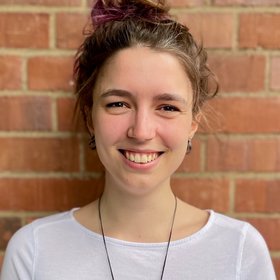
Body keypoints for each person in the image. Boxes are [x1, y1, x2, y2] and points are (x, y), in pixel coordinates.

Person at [0, 0, 276, 279]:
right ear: (89, 116)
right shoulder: (35, 251)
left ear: (193, 122)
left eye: (167, 107)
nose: (141, 131)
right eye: (118, 104)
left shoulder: (239, 251)